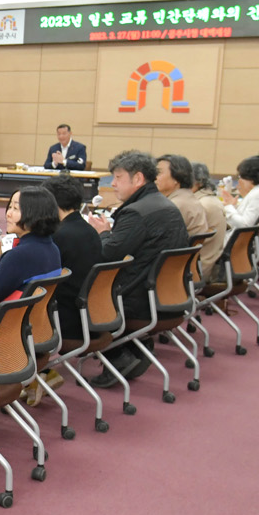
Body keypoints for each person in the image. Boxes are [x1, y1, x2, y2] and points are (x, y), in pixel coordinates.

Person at [85, 150, 189, 385]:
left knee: (79, 294)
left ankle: (119, 355)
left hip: (137, 300)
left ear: (138, 178)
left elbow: (107, 255)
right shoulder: (166, 205)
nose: (112, 183)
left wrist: (103, 234)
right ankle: (132, 348)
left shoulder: (136, 212)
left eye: (118, 177)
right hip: (167, 295)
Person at [0, 186, 62, 321]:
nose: (8, 214)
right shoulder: (52, 248)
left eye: (15, 208)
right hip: (32, 326)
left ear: (35, 214)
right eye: (9, 207)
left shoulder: (20, 255)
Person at [44, 175, 102, 342]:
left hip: (66, 321)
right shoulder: (90, 230)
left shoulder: (59, 236)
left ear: (52, 203)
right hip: (91, 315)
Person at [190, 161, 228, 283]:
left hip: (200, 269)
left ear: (198, 182)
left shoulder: (200, 205)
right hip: (210, 264)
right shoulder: (211, 200)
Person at [155, 154, 209, 240]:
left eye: (159, 172)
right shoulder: (187, 197)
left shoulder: (174, 205)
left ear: (176, 178)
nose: (154, 177)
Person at [220, 155, 259, 232]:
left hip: (243, 238)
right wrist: (233, 207)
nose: (240, 180)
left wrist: (228, 207)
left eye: (240, 177)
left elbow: (245, 225)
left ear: (250, 177)